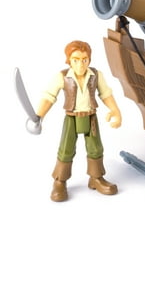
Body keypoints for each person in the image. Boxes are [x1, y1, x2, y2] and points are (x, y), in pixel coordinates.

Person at [36, 40, 122, 202]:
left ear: (89, 59)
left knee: (96, 148)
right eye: (75, 60)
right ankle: (60, 181)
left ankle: (96, 178)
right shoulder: (62, 77)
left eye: (84, 60)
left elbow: (106, 94)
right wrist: (39, 116)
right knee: (66, 150)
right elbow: (49, 96)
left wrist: (116, 111)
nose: (80, 64)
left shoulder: (96, 75)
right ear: (68, 60)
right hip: (71, 118)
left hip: (91, 116)